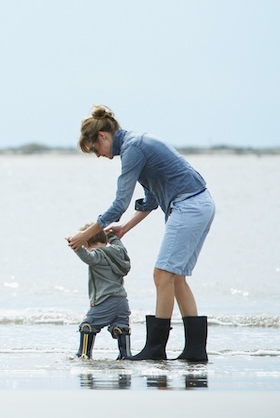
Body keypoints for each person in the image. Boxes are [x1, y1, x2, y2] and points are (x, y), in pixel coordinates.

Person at [66, 105, 216, 362]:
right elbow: (150, 200)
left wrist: (85, 236)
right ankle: (195, 351)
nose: (99, 156)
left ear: (103, 136)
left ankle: (155, 349)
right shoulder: (138, 143)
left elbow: (119, 205)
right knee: (176, 278)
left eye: (95, 150)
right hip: (198, 202)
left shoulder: (132, 149)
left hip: (188, 204)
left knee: (162, 274)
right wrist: (124, 228)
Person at [69, 224, 132, 360]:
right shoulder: (119, 252)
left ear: (85, 242)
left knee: (88, 326)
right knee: (121, 327)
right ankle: (126, 355)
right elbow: (119, 244)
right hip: (122, 301)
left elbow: (88, 257)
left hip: (105, 300)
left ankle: (84, 354)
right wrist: (111, 235)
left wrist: (75, 244)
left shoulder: (98, 255)